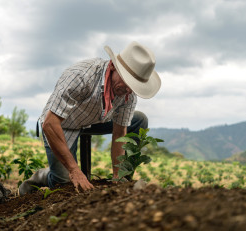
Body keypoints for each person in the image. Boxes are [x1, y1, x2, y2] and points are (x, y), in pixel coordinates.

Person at [19, 41, 161, 195]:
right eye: (127, 82)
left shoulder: (127, 93)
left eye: (133, 86)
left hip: (95, 119)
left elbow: (120, 133)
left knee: (139, 120)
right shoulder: (81, 76)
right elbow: (50, 123)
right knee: (65, 182)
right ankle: (43, 176)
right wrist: (74, 170)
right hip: (62, 123)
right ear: (113, 67)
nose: (128, 90)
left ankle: (124, 181)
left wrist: (117, 175)